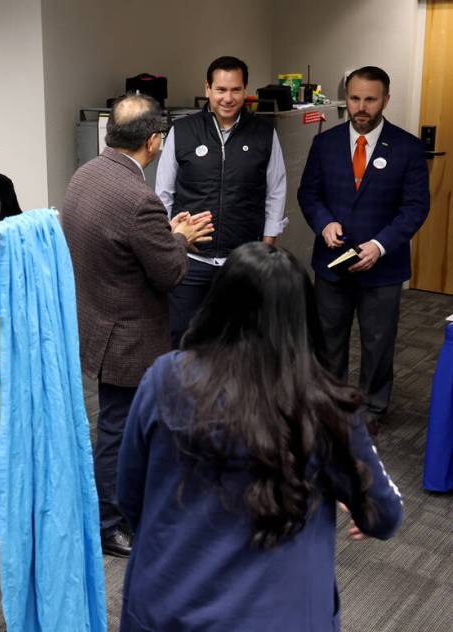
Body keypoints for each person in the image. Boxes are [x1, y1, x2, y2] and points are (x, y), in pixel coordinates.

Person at [117, 242, 403, 631]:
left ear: (219, 304)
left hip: (166, 608)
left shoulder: (164, 378)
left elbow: (131, 496)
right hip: (281, 617)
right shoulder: (327, 403)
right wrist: (354, 496)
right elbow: (385, 515)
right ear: (304, 317)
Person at [61, 94, 213, 559]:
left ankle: (119, 504)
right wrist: (180, 240)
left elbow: (121, 245)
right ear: (154, 141)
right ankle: (109, 524)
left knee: (118, 423)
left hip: (96, 321)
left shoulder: (85, 175)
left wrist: (165, 234)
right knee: (117, 428)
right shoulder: (139, 198)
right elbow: (168, 273)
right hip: (128, 336)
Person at [298, 66, 429, 433]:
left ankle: (372, 407)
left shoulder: (408, 147)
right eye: (355, 98)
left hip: (383, 268)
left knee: (378, 341)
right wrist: (324, 222)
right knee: (329, 339)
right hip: (332, 262)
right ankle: (331, 403)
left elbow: (416, 207)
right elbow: (309, 193)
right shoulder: (325, 143)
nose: (361, 107)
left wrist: (380, 245)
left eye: (370, 99)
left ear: (385, 100)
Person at [155, 56, 287, 348]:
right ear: (208, 89)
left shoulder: (264, 133)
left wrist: (267, 244)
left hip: (241, 260)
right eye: (221, 90)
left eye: (236, 90)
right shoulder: (183, 130)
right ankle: (184, 395)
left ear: (245, 91)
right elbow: (163, 194)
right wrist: (172, 241)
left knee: (239, 343)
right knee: (183, 340)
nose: (228, 98)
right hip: (191, 261)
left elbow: (276, 189)